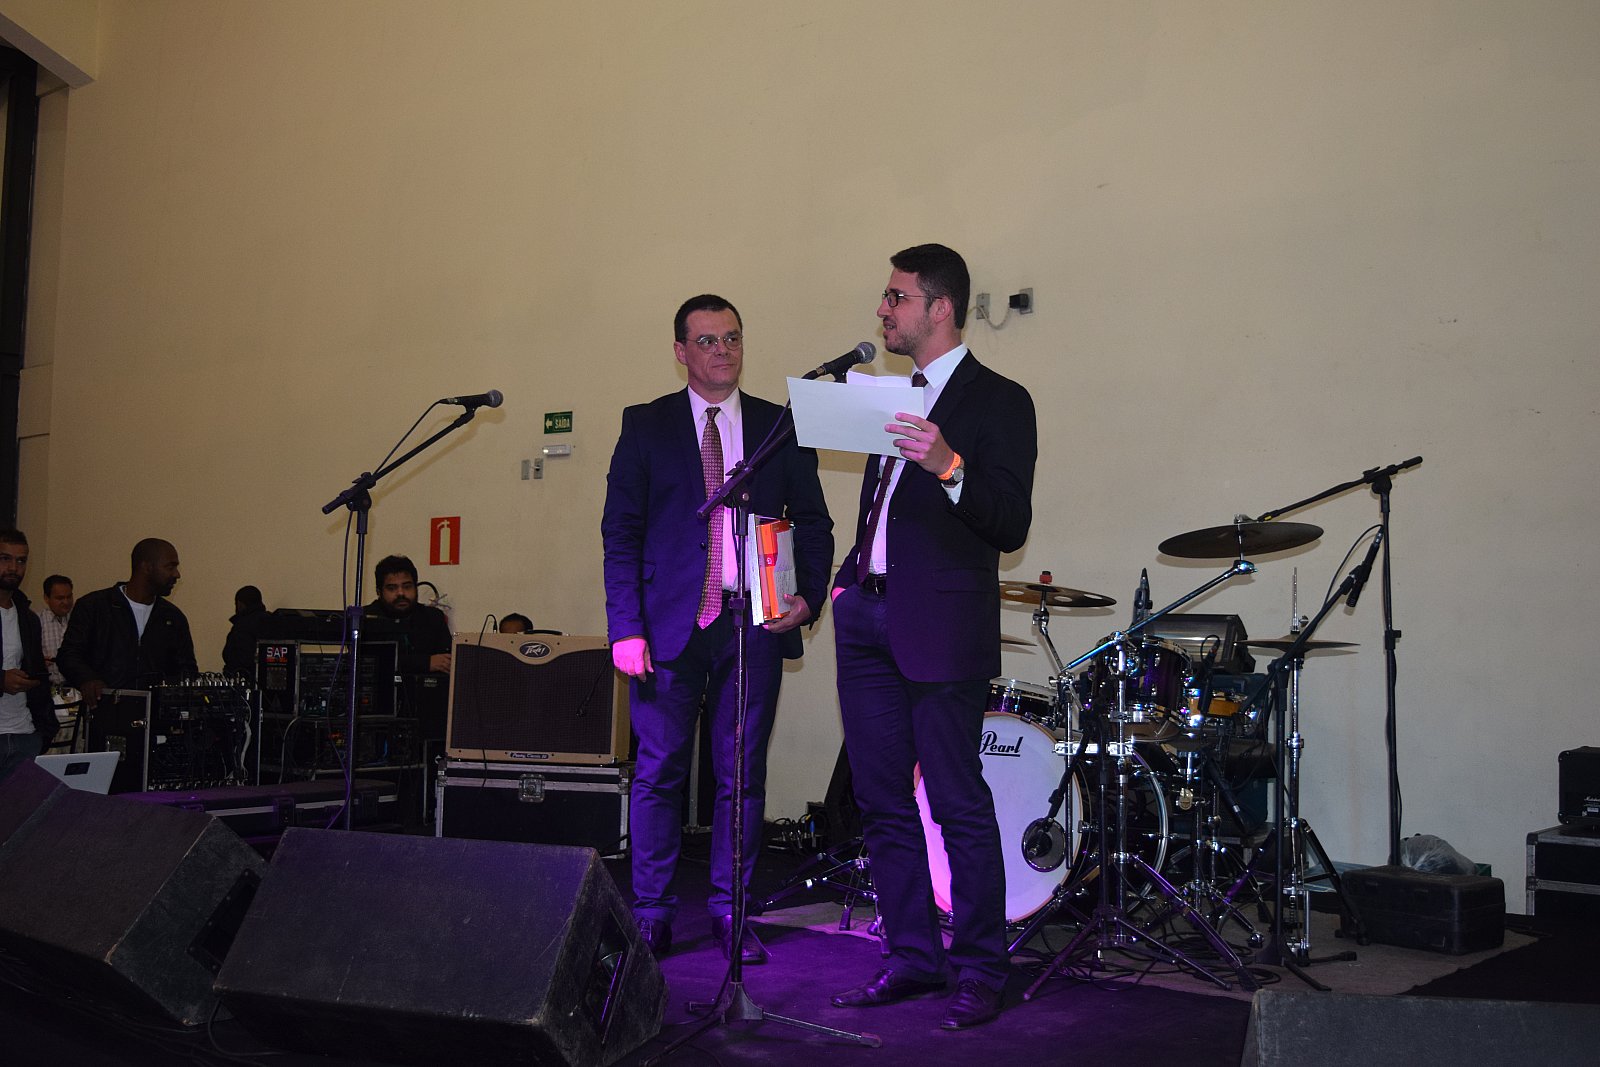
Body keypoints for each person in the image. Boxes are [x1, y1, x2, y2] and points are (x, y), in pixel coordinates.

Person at [827, 244, 1037, 1030]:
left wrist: (950, 466)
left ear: (939, 307)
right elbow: (881, 511)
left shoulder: (1000, 400)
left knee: (955, 800)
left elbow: (1009, 521)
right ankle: (914, 956)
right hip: (866, 617)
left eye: (897, 297)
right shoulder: (888, 395)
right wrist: (847, 581)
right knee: (881, 801)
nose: (883, 310)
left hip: (942, 625)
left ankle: (982, 968)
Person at [603, 294, 833, 963]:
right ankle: (651, 912)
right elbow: (621, 531)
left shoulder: (777, 425)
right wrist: (625, 628)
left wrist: (808, 596)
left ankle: (733, 912)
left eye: (731, 337)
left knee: (741, 775)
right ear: (680, 351)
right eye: (706, 340)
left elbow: (814, 520)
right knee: (659, 773)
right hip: (666, 628)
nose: (722, 350)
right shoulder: (645, 424)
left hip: (751, 624)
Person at [55, 538, 198, 712]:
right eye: (170, 567)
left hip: (155, 718)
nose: (177, 574)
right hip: (105, 714)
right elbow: (69, 654)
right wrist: (87, 679)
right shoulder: (94, 606)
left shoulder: (173, 617)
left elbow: (187, 670)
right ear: (146, 567)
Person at [0, 531, 58, 782]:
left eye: (21, 560)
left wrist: (44, 731)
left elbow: (38, 675)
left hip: (25, 734)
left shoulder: (28, 618)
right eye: (5, 558)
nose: (13, 568)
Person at [363, 556, 453, 676]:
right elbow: (369, 662)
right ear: (379, 592)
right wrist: (425, 663)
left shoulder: (433, 618)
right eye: (392, 588)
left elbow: (447, 662)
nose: (401, 593)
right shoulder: (365, 619)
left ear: (415, 587)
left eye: (407, 586)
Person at [222, 585, 270, 677]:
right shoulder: (270, 621)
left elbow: (231, 655)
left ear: (240, 604)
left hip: (243, 678)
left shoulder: (242, 625)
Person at [36, 574, 73, 687]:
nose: (66, 602)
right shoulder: (36, 621)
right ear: (46, 598)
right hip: (47, 687)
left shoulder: (79, 619)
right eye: (60, 598)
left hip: (75, 687)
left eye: (69, 597)